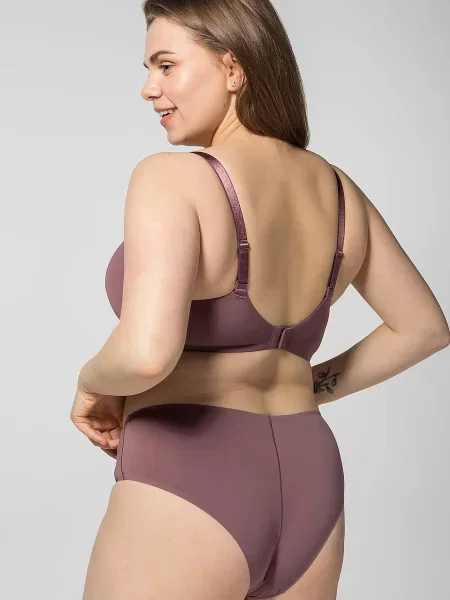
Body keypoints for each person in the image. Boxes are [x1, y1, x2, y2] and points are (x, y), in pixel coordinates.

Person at [72, 1, 450, 599]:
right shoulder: (340, 192)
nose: (149, 88)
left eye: (166, 65)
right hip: (310, 483)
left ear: (232, 68)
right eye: (148, 69)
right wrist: (299, 384)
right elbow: (423, 328)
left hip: (190, 473)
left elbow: (146, 355)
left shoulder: (172, 177)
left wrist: (91, 385)